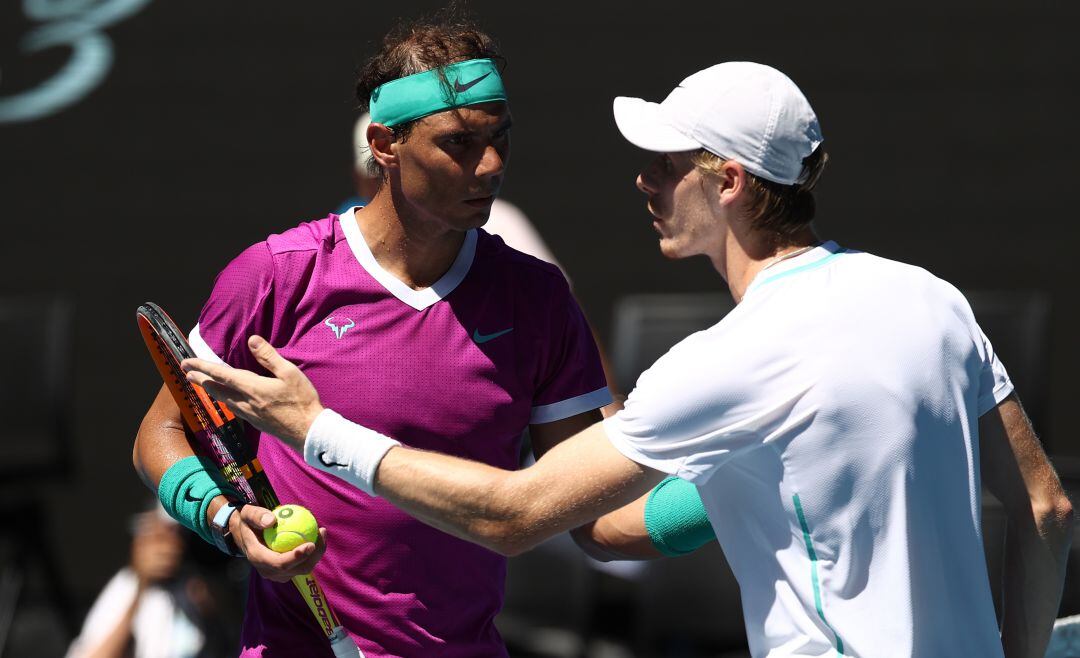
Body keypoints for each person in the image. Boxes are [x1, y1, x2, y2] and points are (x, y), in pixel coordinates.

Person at [183, 61, 1075, 658]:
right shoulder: (931, 297)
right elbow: (1046, 507)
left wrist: (317, 430)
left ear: (726, 182)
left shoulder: (727, 361)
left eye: (664, 163)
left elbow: (513, 516)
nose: (643, 181)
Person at [132, 13, 691, 657]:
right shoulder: (276, 276)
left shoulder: (536, 300)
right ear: (385, 144)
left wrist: (729, 500)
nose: (490, 167)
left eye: (500, 138)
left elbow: (594, 516)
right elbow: (163, 433)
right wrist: (227, 519)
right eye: (458, 143)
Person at [66, 503, 229, 658]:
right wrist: (142, 584)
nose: (170, 546)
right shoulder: (127, 585)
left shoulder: (196, 584)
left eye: (176, 535)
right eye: (160, 536)